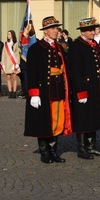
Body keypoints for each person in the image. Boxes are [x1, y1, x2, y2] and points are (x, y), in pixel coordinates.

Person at [24, 16, 72, 164]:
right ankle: (45, 152)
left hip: (57, 89)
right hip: (43, 90)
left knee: (57, 120)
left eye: (57, 28)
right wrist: (33, 93)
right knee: (44, 121)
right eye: (53, 28)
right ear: (45, 31)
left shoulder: (59, 47)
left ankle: (53, 151)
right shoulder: (36, 48)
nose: (56, 31)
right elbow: (31, 73)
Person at [68, 17, 100, 160]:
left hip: (95, 87)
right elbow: (75, 71)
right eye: (90, 30)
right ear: (83, 32)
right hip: (84, 88)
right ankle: (82, 148)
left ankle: (92, 146)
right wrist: (80, 91)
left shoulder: (93, 44)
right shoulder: (76, 46)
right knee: (83, 118)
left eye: (94, 29)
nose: (93, 32)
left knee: (93, 117)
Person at [3, 30, 21, 99]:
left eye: (9, 34)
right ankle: (10, 92)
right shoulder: (5, 44)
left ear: (12, 35)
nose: (8, 35)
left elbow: (17, 54)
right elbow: (4, 54)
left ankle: (14, 92)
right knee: (8, 77)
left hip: (14, 63)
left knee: (14, 77)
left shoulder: (16, 44)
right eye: (7, 34)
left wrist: (17, 63)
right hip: (7, 63)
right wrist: (3, 64)